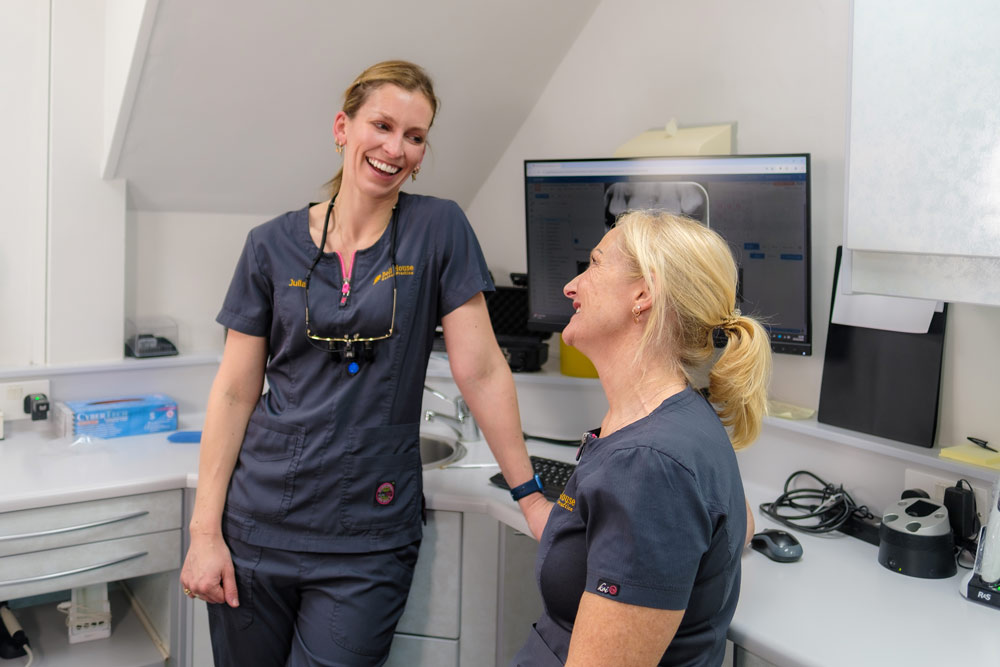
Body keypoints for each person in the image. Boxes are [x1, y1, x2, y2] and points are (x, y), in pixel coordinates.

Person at [180, 60, 549, 667]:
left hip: (366, 541)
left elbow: (481, 371)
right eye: (381, 125)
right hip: (257, 525)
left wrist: (530, 494)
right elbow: (232, 393)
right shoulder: (268, 246)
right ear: (342, 128)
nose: (395, 148)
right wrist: (204, 534)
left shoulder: (440, 229)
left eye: (415, 136)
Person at [513, 210, 771, 666]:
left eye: (593, 264)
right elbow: (740, 524)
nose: (571, 287)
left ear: (643, 293)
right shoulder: (676, 415)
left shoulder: (651, 463)